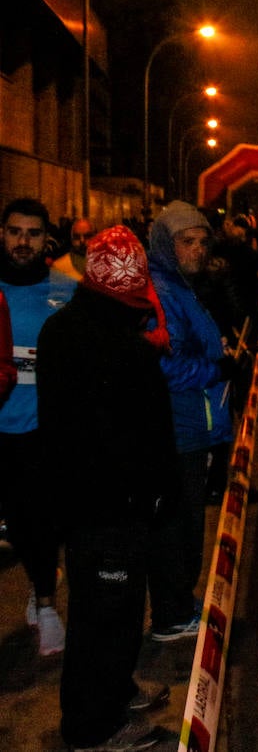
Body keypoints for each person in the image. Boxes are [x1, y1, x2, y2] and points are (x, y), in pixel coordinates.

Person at [40, 225, 177, 752]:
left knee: (109, 610)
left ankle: (114, 691)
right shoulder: (122, 348)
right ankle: (93, 726)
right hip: (110, 510)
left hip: (86, 505)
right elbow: (140, 438)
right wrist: (157, 497)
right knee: (106, 617)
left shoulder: (62, 329)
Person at [145, 201, 233, 642]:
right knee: (177, 527)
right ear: (165, 244)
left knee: (185, 523)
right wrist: (218, 369)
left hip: (193, 424)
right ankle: (171, 612)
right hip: (177, 428)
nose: (197, 250)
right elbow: (167, 365)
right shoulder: (162, 292)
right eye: (186, 242)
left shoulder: (181, 286)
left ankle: (177, 602)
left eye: (202, 241)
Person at [0, 198, 77, 656]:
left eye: (32, 233)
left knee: (39, 525)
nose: (22, 241)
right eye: (14, 231)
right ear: (2, 234)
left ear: (47, 238)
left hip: (42, 432)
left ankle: (46, 604)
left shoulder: (67, 290)